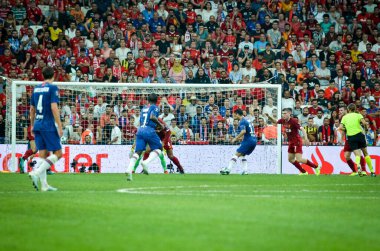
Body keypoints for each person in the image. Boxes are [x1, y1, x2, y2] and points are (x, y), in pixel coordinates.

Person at [28, 66, 63, 191]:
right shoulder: (53, 88)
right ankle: (36, 172)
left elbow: (32, 109)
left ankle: (44, 186)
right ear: (53, 75)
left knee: (43, 154)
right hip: (48, 125)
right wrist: (60, 125)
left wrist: (32, 125)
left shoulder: (36, 88)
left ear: (42, 75)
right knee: (58, 154)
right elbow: (54, 107)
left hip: (37, 124)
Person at [266, 108, 321, 175]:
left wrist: (306, 138)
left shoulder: (293, 121)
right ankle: (304, 172)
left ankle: (316, 167)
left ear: (289, 114)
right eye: (283, 113)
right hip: (291, 142)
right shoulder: (283, 120)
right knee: (290, 159)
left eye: (285, 113)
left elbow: (302, 129)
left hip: (297, 141)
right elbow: (275, 121)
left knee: (299, 159)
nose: (283, 115)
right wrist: (269, 116)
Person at [126, 93, 164, 181]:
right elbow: (152, 117)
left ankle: (129, 169)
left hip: (140, 130)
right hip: (149, 130)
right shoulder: (155, 107)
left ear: (148, 100)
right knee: (159, 148)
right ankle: (146, 162)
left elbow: (141, 120)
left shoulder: (143, 108)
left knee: (138, 151)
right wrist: (160, 124)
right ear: (157, 100)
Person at [339, 103, 375, 177]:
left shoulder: (344, 117)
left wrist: (347, 128)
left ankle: (358, 167)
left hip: (351, 137)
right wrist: (365, 129)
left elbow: (340, 127)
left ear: (348, 109)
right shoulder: (358, 115)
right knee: (365, 153)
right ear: (355, 109)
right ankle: (372, 171)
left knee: (357, 155)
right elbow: (364, 123)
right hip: (360, 135)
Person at [220, 109, 257, 175]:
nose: (233, 116)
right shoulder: (248, 120)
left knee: (236, 155)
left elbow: (243, 131)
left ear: (237, 114)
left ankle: (228, 169)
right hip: (254, 140)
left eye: (234, 114)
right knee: (242, 155)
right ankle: (245, 171)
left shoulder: (242, 121)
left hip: (248, 140)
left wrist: (235, 138)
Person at [337, 106, 366, 176]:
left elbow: (359, 126)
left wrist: (363, 135)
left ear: (346, 110)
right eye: (339, 110)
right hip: (348, 139)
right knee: (346, 156)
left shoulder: (351, 117)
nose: (340, 112)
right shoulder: (343, 118)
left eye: (341, 110)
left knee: (358, 154)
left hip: (355, 137)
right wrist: (341, 139)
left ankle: (364, 170)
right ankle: (354, 171)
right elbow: (344, 129)